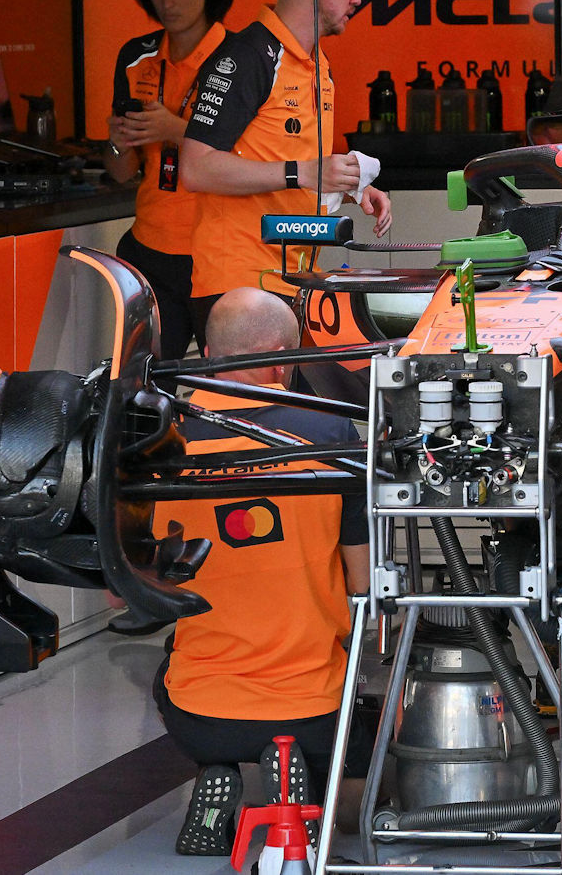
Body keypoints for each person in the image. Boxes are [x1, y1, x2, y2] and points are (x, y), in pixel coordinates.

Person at [153, 287, 372, 855]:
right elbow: (364, 585)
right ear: (280, 358)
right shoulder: (330, 431)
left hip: (199, 714)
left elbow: (130, 588)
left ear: (207, 353)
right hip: (311, 709)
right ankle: (295, 783)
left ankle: (217, 771)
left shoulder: (162, 441)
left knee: (169, 668)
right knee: (362, 722)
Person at [180, 0, 392, 348]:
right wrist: (302, 172)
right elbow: (196, 168)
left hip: (297, 282)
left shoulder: (318, 64)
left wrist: (348, 186)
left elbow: (289, 167)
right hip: (241, 287)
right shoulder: (245, 57)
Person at [106, 0, 233, 364]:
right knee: (143, 382)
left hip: (218, 252)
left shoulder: (240, 57)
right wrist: (118, 141)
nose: (168, 4)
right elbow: (120, 171)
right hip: (150, 248)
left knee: (230, 381)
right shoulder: (136, 56)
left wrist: (176, 130)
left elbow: (252, 154)